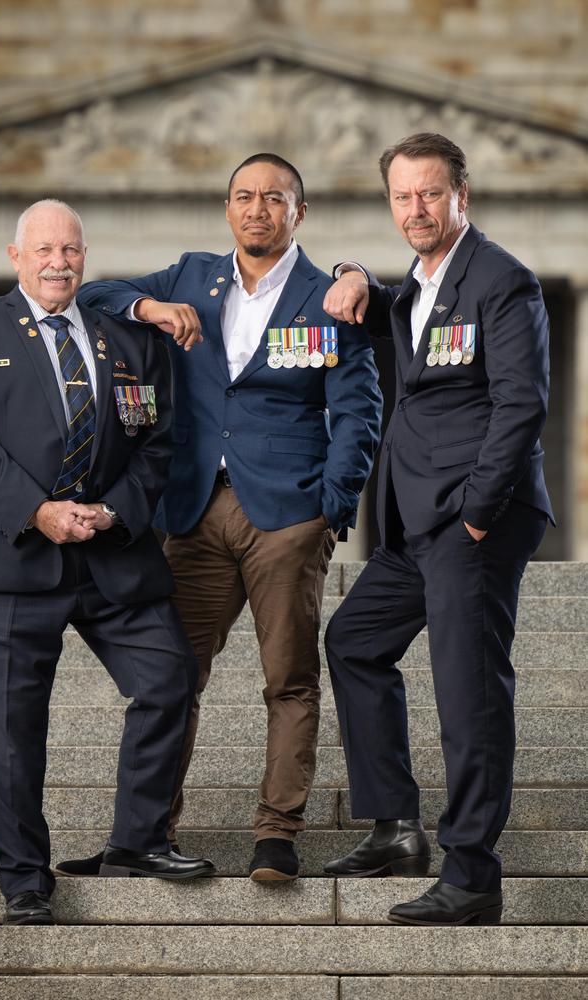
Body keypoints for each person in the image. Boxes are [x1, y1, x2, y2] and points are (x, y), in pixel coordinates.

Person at [56, 153, 382, 881]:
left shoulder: (328, 297)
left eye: (274, 198)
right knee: (170, 675)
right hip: (193, 510)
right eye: (244, 196)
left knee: (289, 679)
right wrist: (149, 308)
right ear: (226, 207)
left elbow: (360, 410)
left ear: (300, 213)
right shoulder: (188, 276)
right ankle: (141, 836)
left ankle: (276, 836)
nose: (257, 209)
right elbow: (96, 294)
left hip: (287, 515)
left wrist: (331, 505)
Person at [0, 200, 215, 926]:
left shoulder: (129, 338)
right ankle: (24, 878)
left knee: (168, 678)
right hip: (8, 557)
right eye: (44, 249)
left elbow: (158, 443)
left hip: (111, 555)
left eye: (71, 249)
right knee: (5, 730)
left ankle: (139, 840)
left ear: (84, 257)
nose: (58, 261)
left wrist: (114, 511)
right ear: (16, 255)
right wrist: (37, 511)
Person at [322, 132, 553, 924]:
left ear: (463, 195)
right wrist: (349, 270)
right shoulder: (416, 290)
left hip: (471, 519)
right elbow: (381, 303)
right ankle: (394, 827)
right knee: (353, 641)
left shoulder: (502, 280)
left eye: (430, 193)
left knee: (468, 693)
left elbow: (522, 402)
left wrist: (481, 516)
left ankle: (472, 876)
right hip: (416, 525)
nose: (416, 209)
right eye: (402, 196)